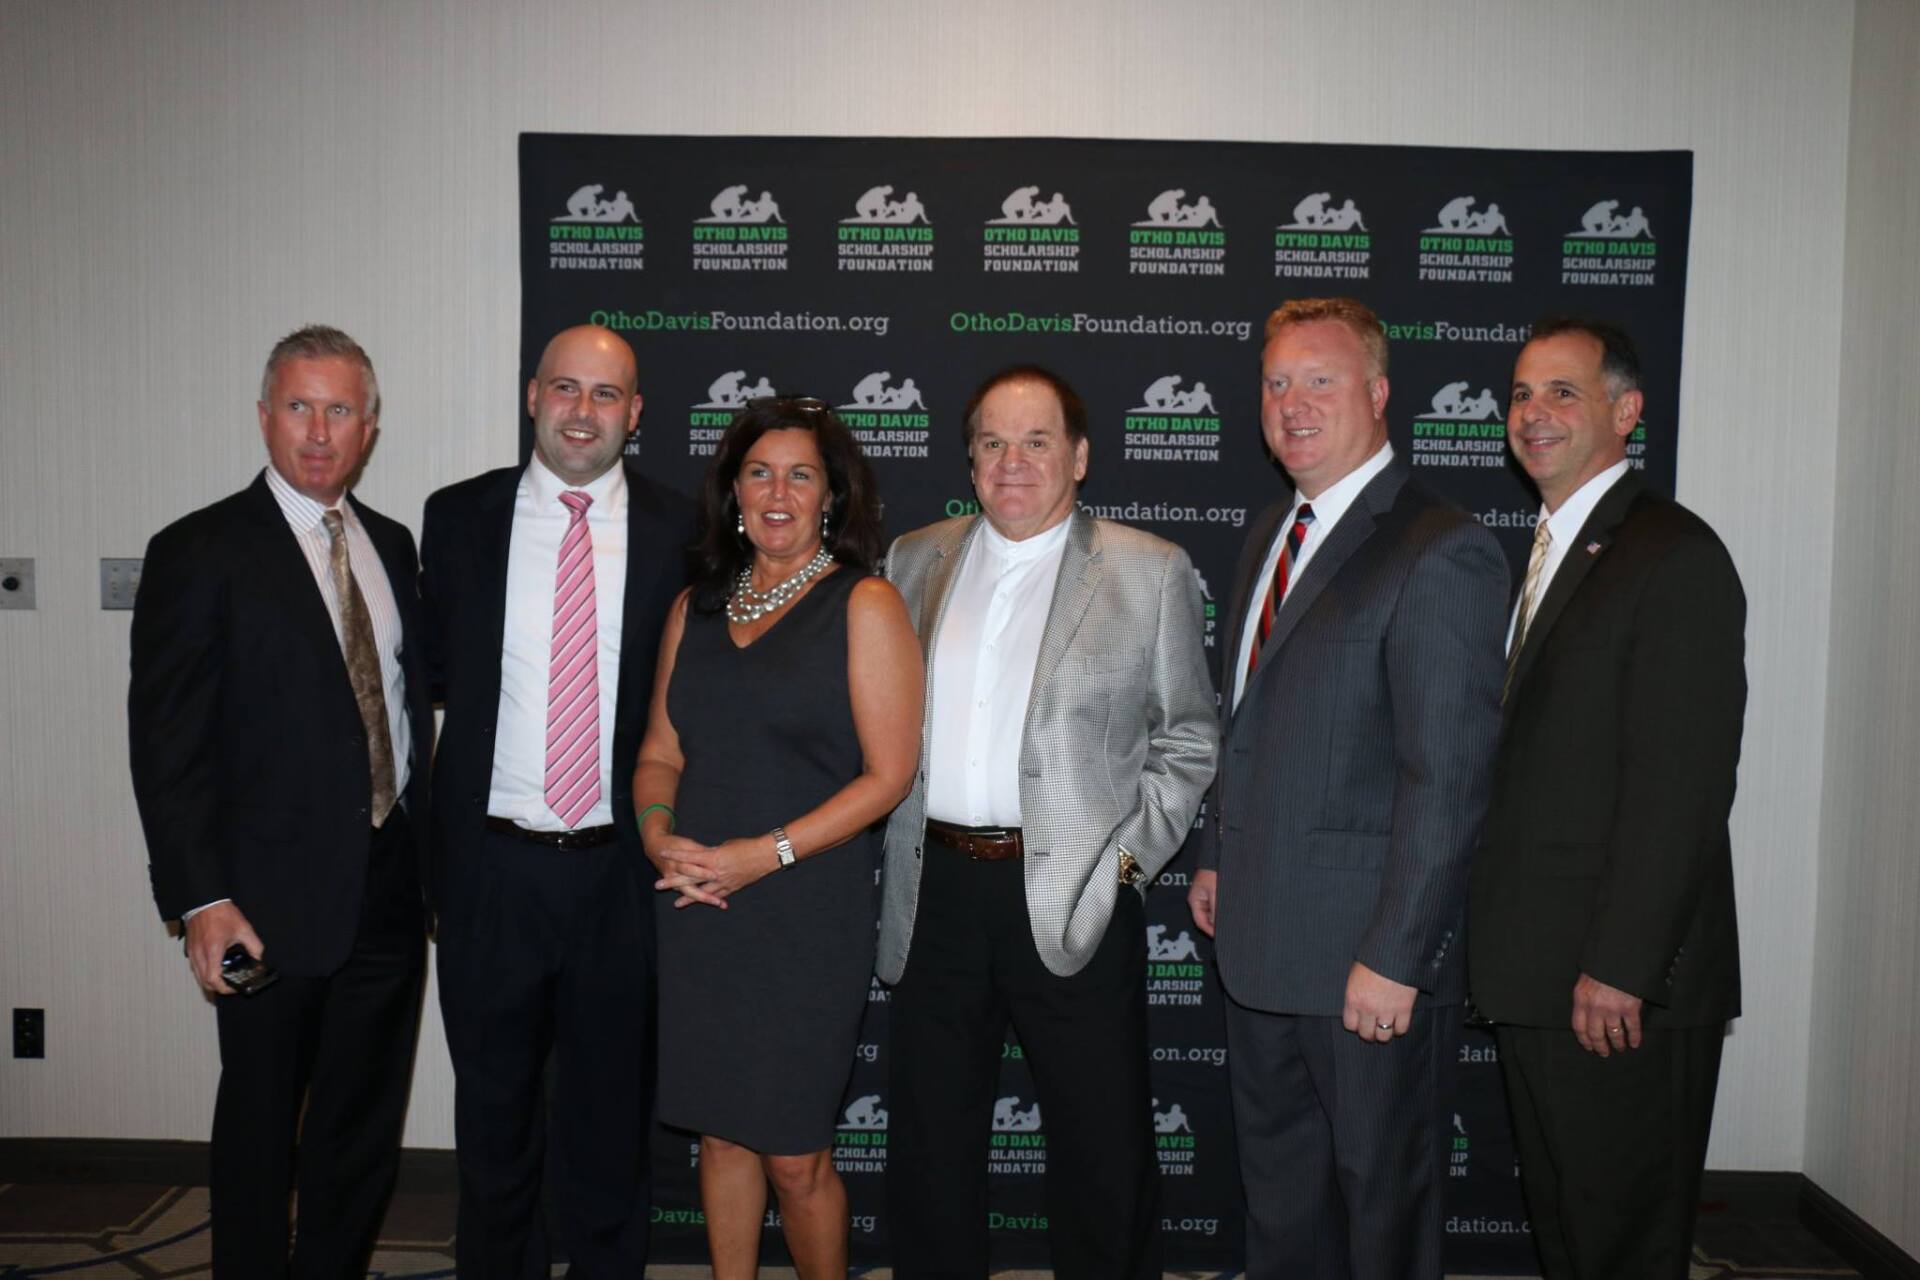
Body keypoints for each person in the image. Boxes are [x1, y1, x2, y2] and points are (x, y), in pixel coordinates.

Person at [879, 365, 1219, 1279]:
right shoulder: (914, 559)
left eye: (1036, 442)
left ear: (1078, 456)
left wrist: (1122, 867)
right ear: (970, 459)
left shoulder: (1149, 571)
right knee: (929, 1149)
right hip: (936, 896)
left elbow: (1188, 738)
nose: (1012, 462)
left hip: (1074, 891)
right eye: (992, 442)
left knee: (1103, 1151)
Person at [1189, 297, 1506, 1279]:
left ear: (1377, 392)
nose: (1292, 402)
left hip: (1366, 964)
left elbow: (1446, 778)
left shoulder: (1438, 545)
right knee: (1282, 1205)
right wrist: (1214, 855)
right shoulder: (1267, 534)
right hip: (1259, 939)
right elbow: (1243, 726)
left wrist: (1397, 955)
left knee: (1382, 1212)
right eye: (1276, 382)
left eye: (1319, 378)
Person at [128, 325, 433, 1277]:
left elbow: (398, 710)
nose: (317, 431)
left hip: (388, 887)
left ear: (370, 427)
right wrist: (200, 900)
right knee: (260, 1127)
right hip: (260, 902)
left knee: (361, 1126)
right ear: (264, 416)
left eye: (339, 410)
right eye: (298, 406)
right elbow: (166, 743)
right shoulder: (198, 549)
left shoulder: (392, 545)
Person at [1469, 318, 1746, 1279]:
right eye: (1520, 394)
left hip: (1616, 991)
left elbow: (1683, 785)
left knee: (1622, 1245)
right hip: (1545, 973)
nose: (1532, 414)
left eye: (1562, 392)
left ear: (1626, 412)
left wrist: (1622, 967)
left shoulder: (1672, 555)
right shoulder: (1555, 550)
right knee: (1572, 1237)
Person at [419, 324, 692, 1278]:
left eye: (606, 394)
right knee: (493, 1125)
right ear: (532, 395)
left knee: (611, 1125)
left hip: (622, 873)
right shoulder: (455, 520)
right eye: (566, 389)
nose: (583, 411)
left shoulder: (682, 528)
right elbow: (431, 680)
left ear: (636, 413)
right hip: (491, 867)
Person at [633, 396, 922, 1279]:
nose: (779, 492)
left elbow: (889, 776)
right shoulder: (696, 609)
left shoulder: (864, 603)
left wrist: (766, 854)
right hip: (700, 910)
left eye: (801, 474)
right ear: (732, 492)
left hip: (804, 914)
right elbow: (660, 753)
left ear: (832, 494)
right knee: (720, 1139)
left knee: (797, 1158)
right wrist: (657, 837)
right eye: (759, 473)